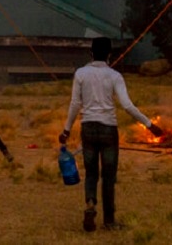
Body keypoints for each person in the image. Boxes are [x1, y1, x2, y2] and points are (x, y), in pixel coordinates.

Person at [59, 36, 164, 232]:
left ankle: (90, 204)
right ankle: (109, 221)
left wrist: (66, 130)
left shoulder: (81, 73)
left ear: (90, 53)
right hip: (108, 129)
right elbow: (127, 105)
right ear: (109, 55)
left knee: (91, 173)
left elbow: (75, 104)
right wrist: (150, 125)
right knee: (108, 176)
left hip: (88, 128)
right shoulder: (115, 76)